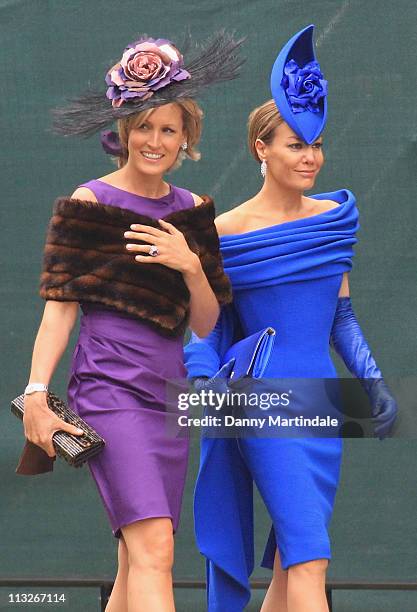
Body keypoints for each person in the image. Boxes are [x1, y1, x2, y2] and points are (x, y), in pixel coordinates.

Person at [19, 33, 244, 612]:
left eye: (167, 129)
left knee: (136, 558)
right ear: (122, 130)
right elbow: (60, 306)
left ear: (186, 138)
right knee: (156, 551)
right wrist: (37, 392)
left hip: (168, 398)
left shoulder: (192, 212)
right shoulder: (90, 202)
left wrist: (191, 267)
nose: (153, 140)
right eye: (143, 127)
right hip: (107, 389)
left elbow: (204, 324)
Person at [184, 25, 397, 612]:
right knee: (310, 556)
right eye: (296, 145)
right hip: (260, 395)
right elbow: (205, 324)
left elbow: (342, 319)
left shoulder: (332, 217)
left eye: (317, 144)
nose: (311, 157)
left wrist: (372, 381)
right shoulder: (224, 229)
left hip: (323, 400)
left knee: (289, 559)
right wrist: (206, 388)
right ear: (261, 148)